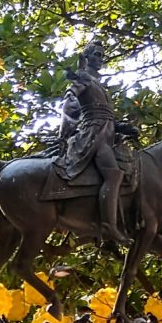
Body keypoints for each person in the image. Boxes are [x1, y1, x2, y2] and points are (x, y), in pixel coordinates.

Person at [55, 39, 136, 246]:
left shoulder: (98, 83)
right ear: (88, 56)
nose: (100, 59)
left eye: (102, 55)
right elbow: (70, 99)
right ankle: (109, 228)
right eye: (96, 54)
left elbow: (104, 113)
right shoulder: (84, 77)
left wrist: (121, 127)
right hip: (94, 135)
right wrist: (73, 110)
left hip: (107, 134)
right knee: (113, 175)